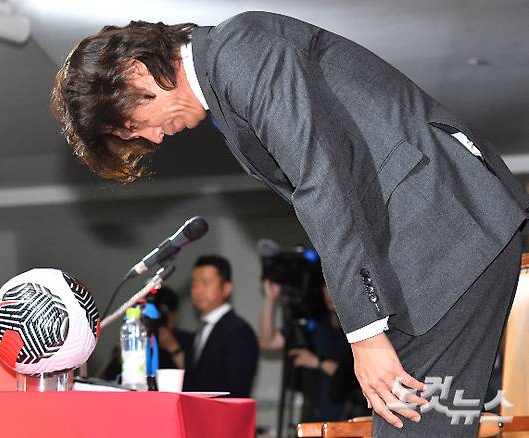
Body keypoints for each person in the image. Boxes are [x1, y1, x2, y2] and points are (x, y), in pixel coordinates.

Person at [51, 12, 529, 437]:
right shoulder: (229, 74)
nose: (151, 137)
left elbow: (323, 181)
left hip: (442, 232)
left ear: (135, 71)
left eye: (134, 124)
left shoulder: (240, 51)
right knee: (424, 421)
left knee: (413, 423)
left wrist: (363, 334)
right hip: (439, 239)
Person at [259, 278, 365, 421]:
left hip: (349, 417)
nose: (329, 292)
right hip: (315, 417)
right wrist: (270, 300)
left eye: (334, 284)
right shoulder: (316, 324)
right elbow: (268, 342)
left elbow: (356, 376)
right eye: (325, 285)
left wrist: (317, 362)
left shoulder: (362, 328)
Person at [183, 255, 259, 397]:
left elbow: (237, 389)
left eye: (206, 283)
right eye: (194, 284)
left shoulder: (239, 331)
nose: (197, 291)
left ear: (226, 288)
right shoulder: (200, 330)